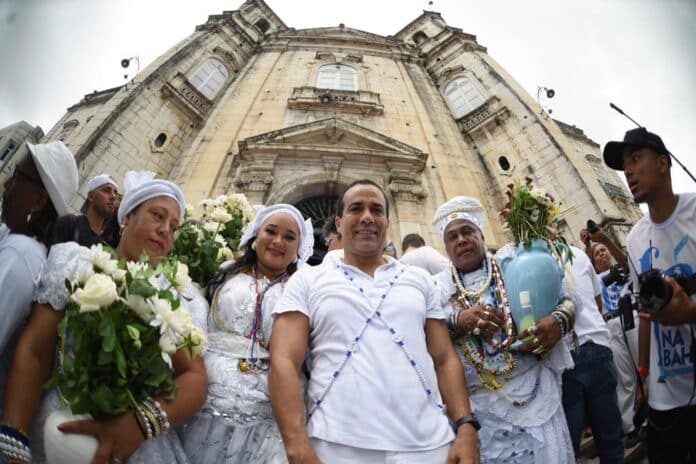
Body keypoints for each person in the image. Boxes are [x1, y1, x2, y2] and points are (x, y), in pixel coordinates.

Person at [1, 171, 208, 464]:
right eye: (157, 216)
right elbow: (36, 349)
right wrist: (15, 441)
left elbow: (195, 377)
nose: (165, 230)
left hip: (132, 446)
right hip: (57, 428)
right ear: (127, 218)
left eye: (174, 227)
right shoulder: (76, 262)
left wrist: (140, 423)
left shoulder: (169, 299)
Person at [269, 180, 479, 463]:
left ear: (387, 223)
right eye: (357, 208)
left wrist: (465, 426)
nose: (367, 217)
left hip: (429, 446)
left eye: (376, 210)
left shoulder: (419, 279)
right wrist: (295, 443)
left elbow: (444, 358)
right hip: (335, 445)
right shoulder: (308, 278)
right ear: (339, 223)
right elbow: (284, 359)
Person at [434, 196, 576, 463]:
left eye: (467, 231)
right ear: (446, 248)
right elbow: (428, 333)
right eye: (452, 237)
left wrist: (559, 321)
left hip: (534, 397)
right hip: (480, 415)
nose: (461, 240)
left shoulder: (511, 263)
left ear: (481, 235)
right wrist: (458, 320)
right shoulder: (437, 289)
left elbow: (567, 298)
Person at [180, 204, 314, 463]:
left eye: (289, 237)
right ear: (255, 236)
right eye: (271, 231)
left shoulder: (302, 291)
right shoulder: (222, 274)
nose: (278, 241)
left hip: (267, 408)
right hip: (208, 398)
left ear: (298, 248)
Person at [604, 127, 696, 463]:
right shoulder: (635, 239)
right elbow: (645, 311)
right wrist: (643, 375)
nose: (628, 171)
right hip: (664, 401)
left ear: (662, 162)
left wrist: (689, 313)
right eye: (624, 165)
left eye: (636, 158)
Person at [0, 141, 78, 419]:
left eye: (17, 177)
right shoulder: (13, 236)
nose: (7, 185)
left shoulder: (21, 255)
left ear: (38, 200)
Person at [561, 245, 624, 462]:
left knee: (568, 447)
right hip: (597, 343)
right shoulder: (577, 253)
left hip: (566, 353)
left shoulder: (529, 259)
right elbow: (597, 302)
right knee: (610, 438)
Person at [590, 239, 641, 447]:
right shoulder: (594, 279)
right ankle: (630, 425)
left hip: (631, 316)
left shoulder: (622, 268)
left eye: (603, 250)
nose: (602, 254)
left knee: (644, 366)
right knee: (625, 376)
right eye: (597, 254)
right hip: (611, 323)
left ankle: (651, 416)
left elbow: (625, 259)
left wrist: (604, 239)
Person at [53, 173, 120, 248]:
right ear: (91, 196)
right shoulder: (70, 224)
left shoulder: (105, 246)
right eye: (106, 191)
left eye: (115, 193)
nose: (113, 196)